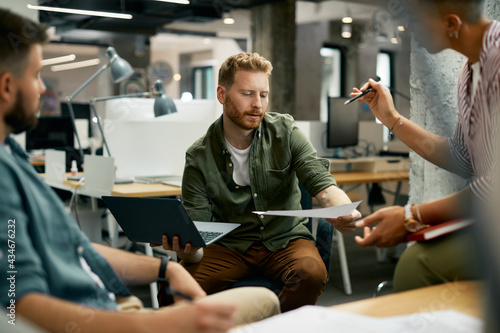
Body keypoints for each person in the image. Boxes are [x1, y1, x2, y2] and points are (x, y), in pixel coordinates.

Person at [0, 8, 280, 333]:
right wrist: (154, 324)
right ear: (7, 86)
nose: (43, 89)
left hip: (113, 304)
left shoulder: (13, 153)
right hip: (107, 319)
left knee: (262, 299)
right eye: (36, 75)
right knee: (264, 302)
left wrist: (165, 270)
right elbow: (16, 305)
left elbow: (79, 247)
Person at [156, 52, 362, 312]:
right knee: (173, 291)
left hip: (284, 238)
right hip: (229, 245)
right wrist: (187, 250)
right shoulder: (198, 156)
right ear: (222, 95)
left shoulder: (285, 132)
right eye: (247, 94)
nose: (258, 104)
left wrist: (343, 210)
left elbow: (323, 184)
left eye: (263, 95)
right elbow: (197, 242)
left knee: (310, 273)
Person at [352, 0, 497, 292]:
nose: (410, 30)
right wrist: (391, 118)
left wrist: (411, 216)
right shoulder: (469, 71)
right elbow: (462, 156)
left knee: (418, 266)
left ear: (452, 24)